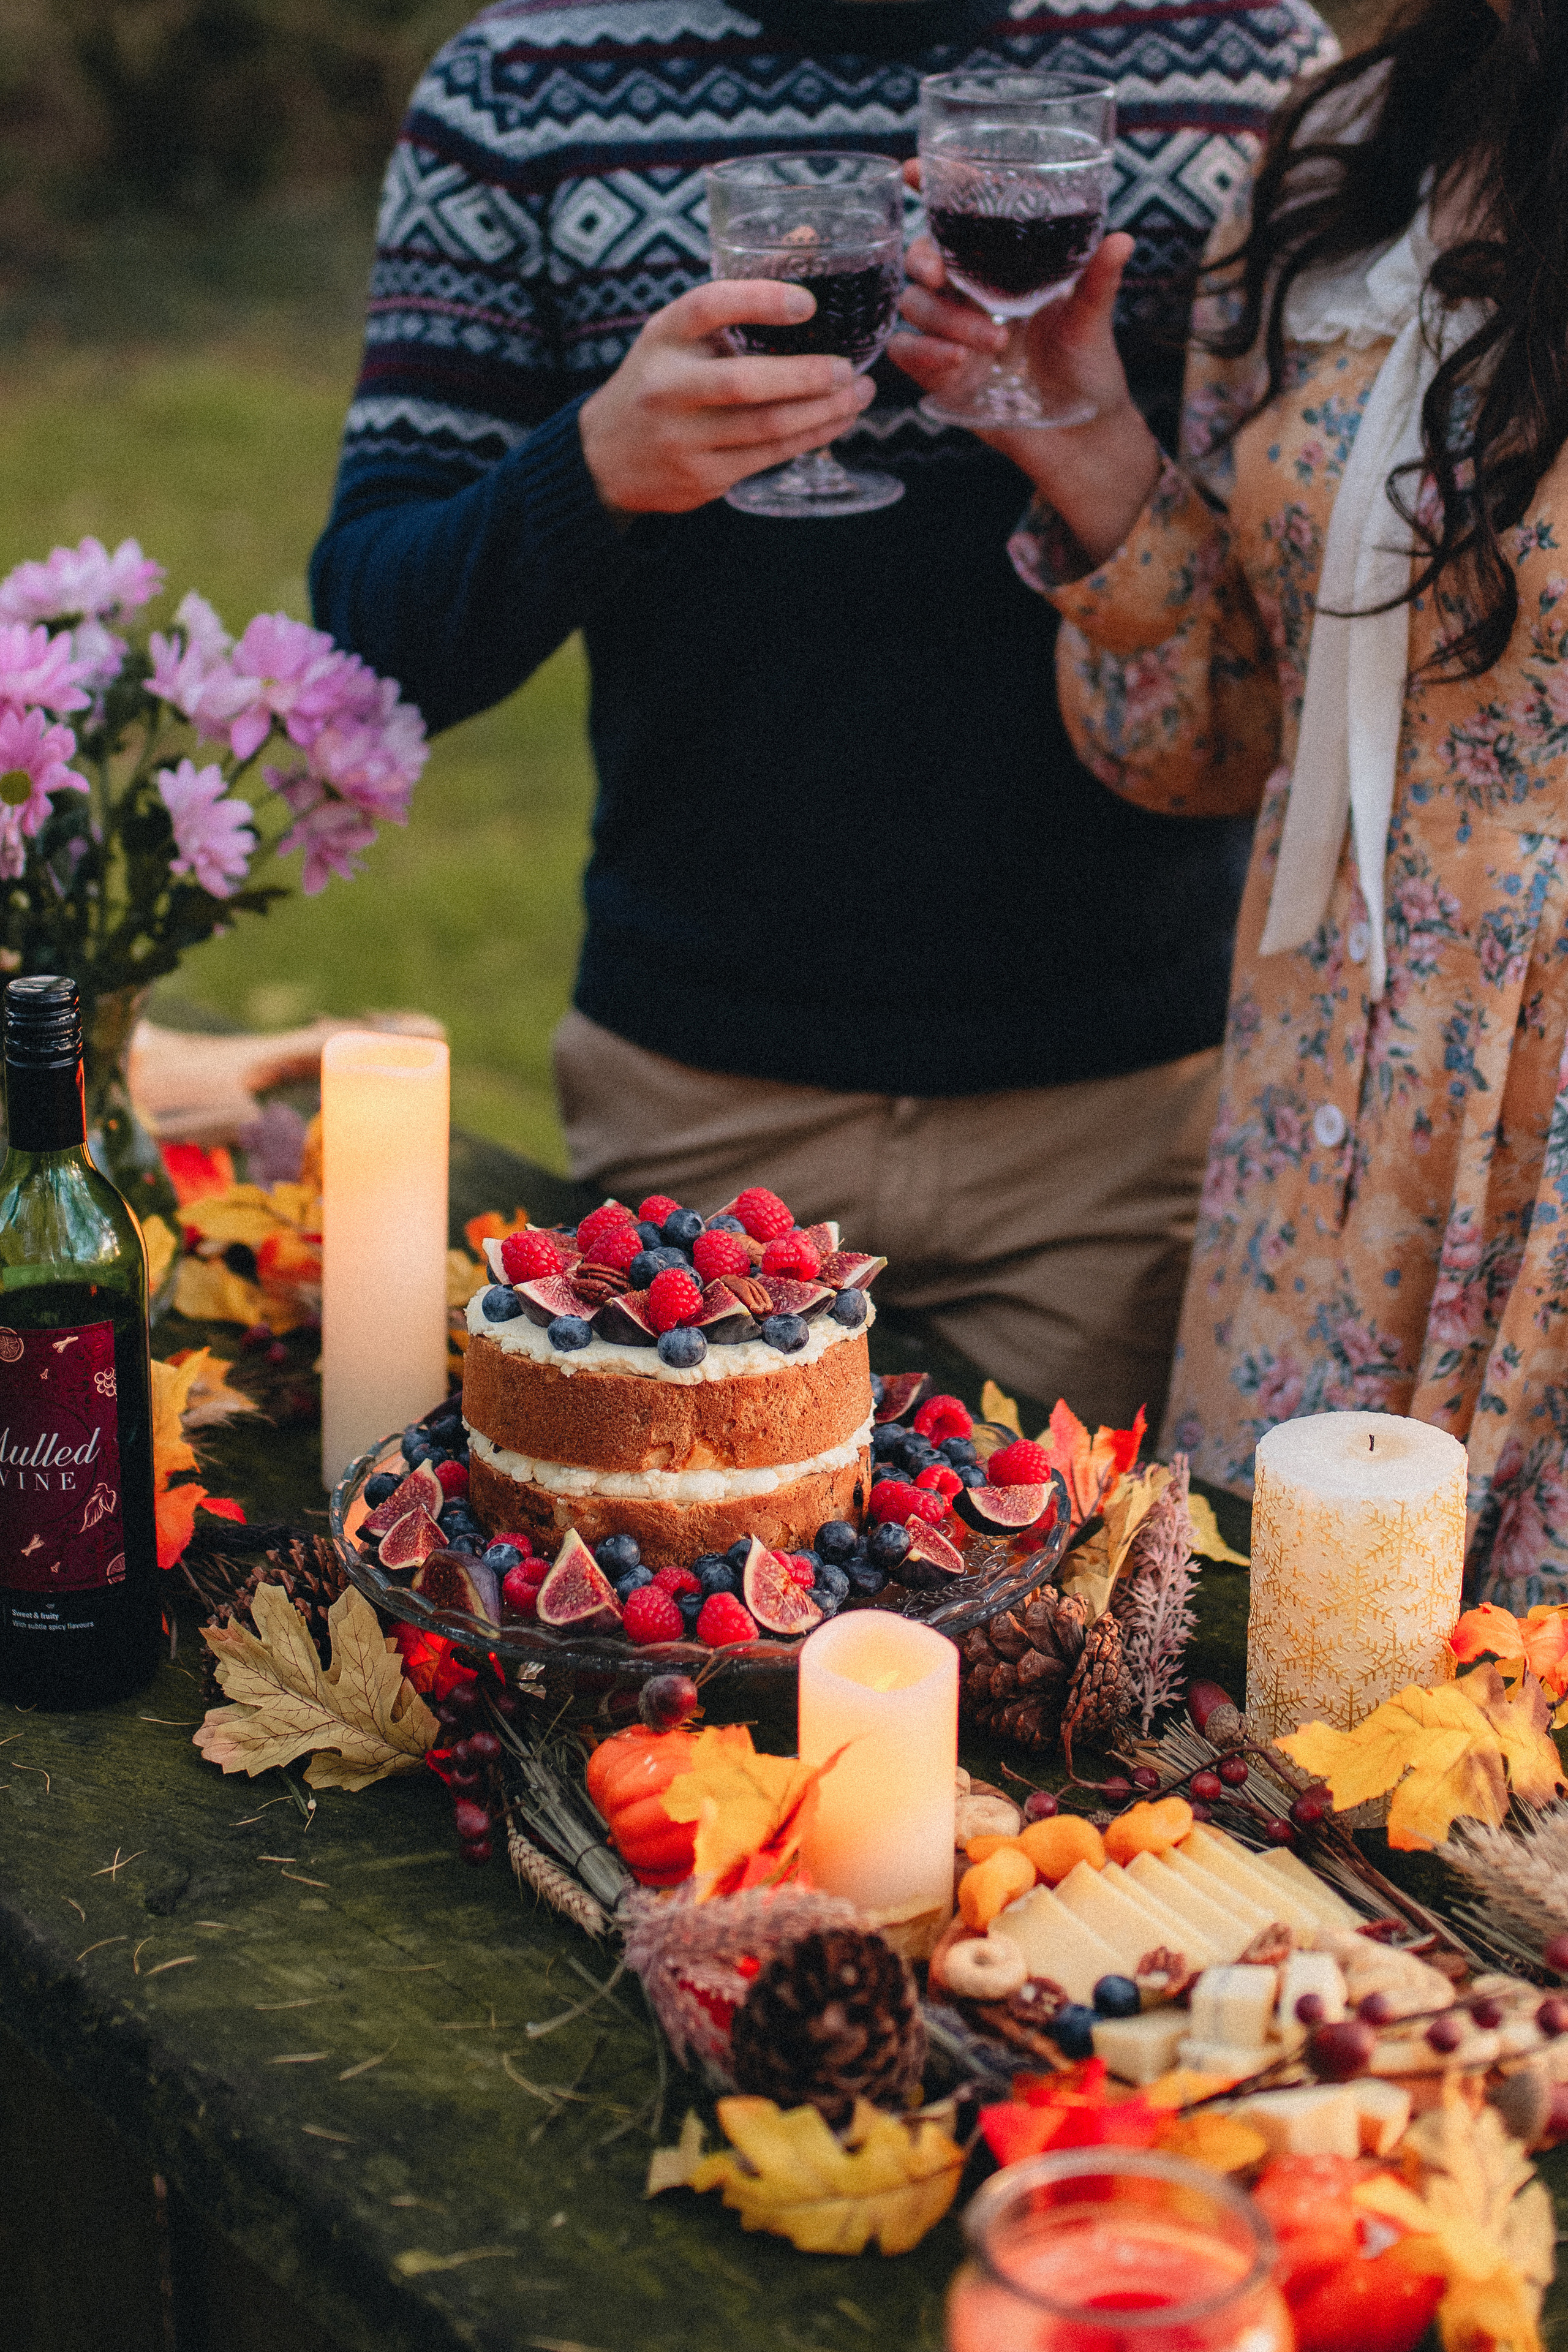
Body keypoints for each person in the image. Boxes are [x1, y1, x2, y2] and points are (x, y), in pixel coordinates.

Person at [309, 0, 1332, 1433]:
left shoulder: (1245, 63)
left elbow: (1307, 637)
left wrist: (1092, 452)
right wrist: (593, 467)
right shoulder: (521, 86)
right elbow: (368, 637)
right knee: (682, 1631)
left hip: (1118, 1129)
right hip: (700, 1117)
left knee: (1072, 1645)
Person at [895, 0, 1568, 1599]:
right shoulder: (1352, 142)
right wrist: (1091, 450)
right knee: (1245, 1715)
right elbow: (1218, 735)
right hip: (1320, 1125)